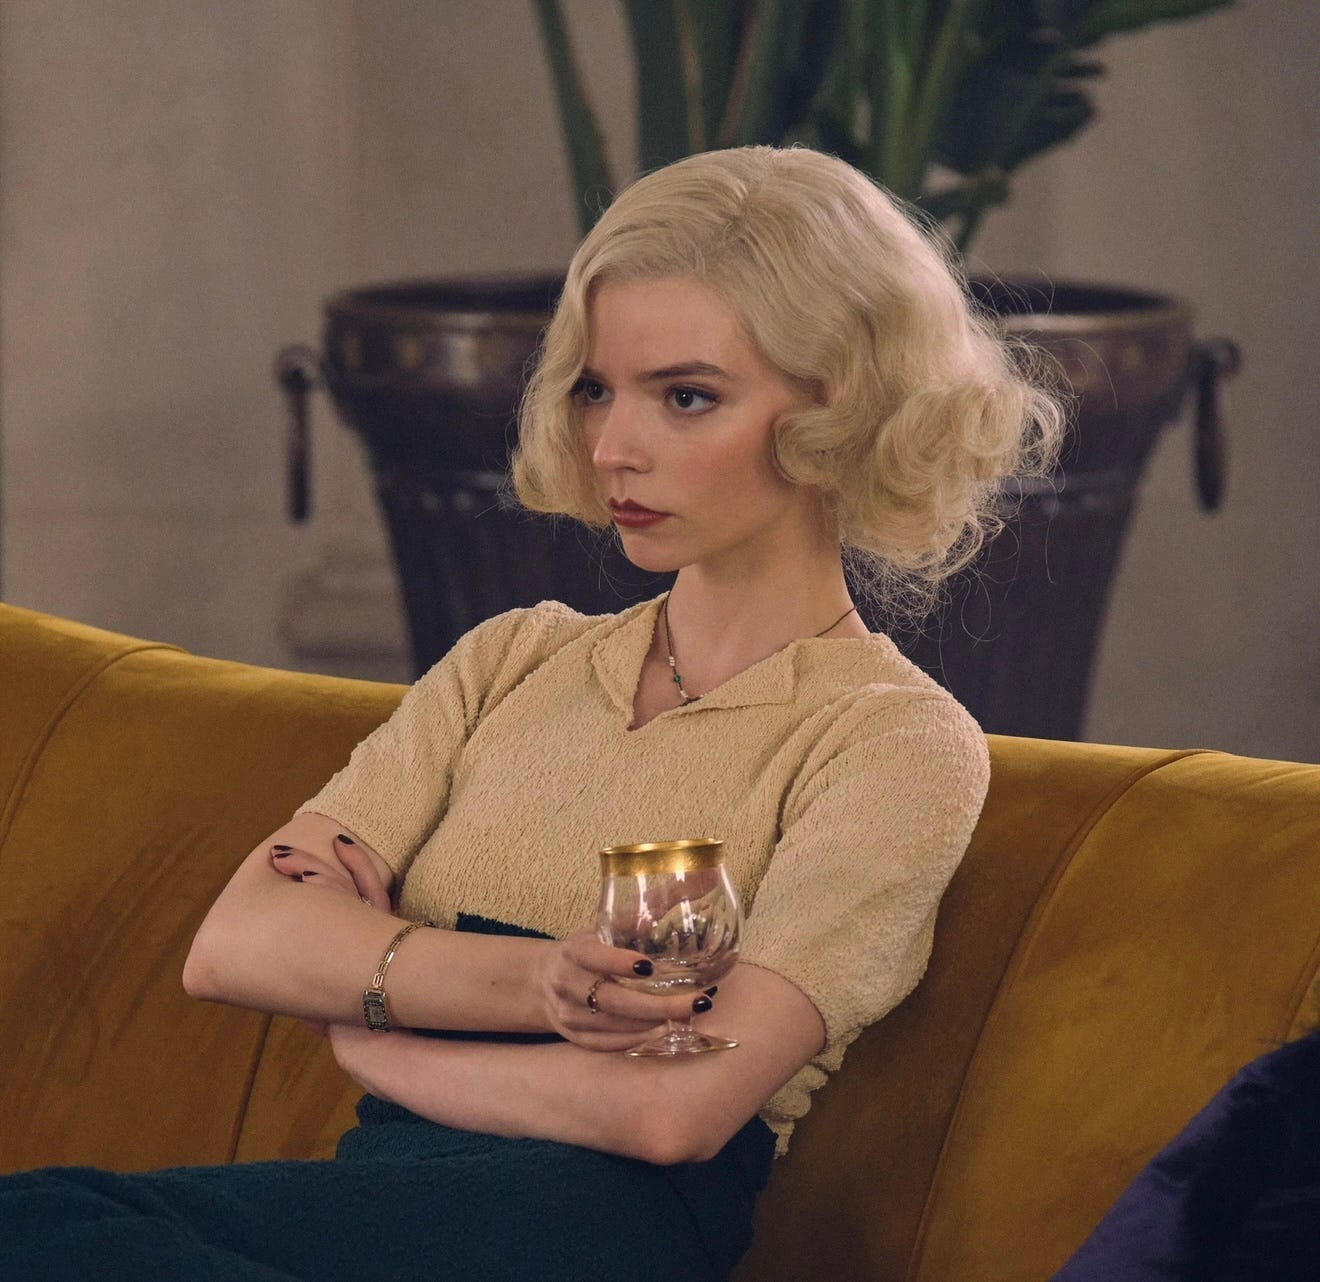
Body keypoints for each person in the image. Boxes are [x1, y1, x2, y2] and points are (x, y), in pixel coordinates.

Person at [0, 145, 1061, 1281]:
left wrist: (382, 1039)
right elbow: (238, 943)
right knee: (43, 1221)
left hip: (589, 1230)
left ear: (840, 410)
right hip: (385, 1205)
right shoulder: (514, 659)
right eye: (597, 388)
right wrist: (547, 981)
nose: (612, 447)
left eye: (687, 396)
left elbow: (676, 1115)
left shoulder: (893, 739)